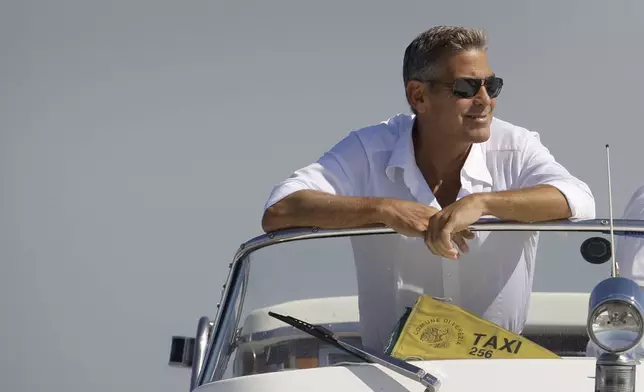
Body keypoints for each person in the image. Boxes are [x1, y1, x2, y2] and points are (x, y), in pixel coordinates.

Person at [261, 25, 596, 352]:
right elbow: (280, 209)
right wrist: (385, 210)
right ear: (418, 96)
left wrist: (483, 204)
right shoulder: (368, 148)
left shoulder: (516, 146)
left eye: (491, 86)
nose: (484, 101)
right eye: (466, 88)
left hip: (498, 373)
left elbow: (578, 198)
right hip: (391, 373)